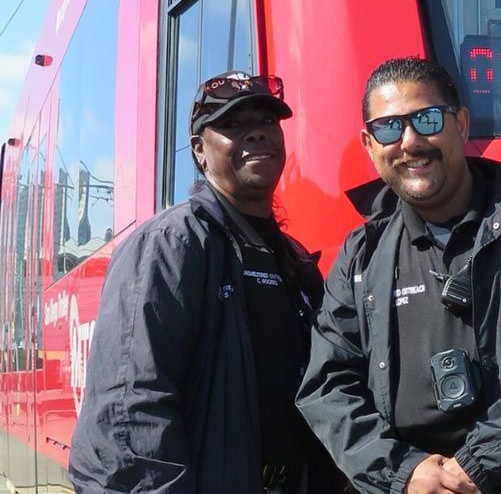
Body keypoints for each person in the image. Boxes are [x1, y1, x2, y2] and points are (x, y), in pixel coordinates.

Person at [296, 57, 501, 493]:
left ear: (461, 125)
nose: (410, 142)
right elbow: (327, 386)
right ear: (369, 144)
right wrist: (404, 473)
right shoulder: (361, 254)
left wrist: (472, 469)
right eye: (388, 128)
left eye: (427, 119)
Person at [69, 71, 336, 493]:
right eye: (232, 124)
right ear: (200, 150)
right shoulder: (168, 245)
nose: (256, 133)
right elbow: (131, 411)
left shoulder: (295, 259)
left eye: (266, 121)